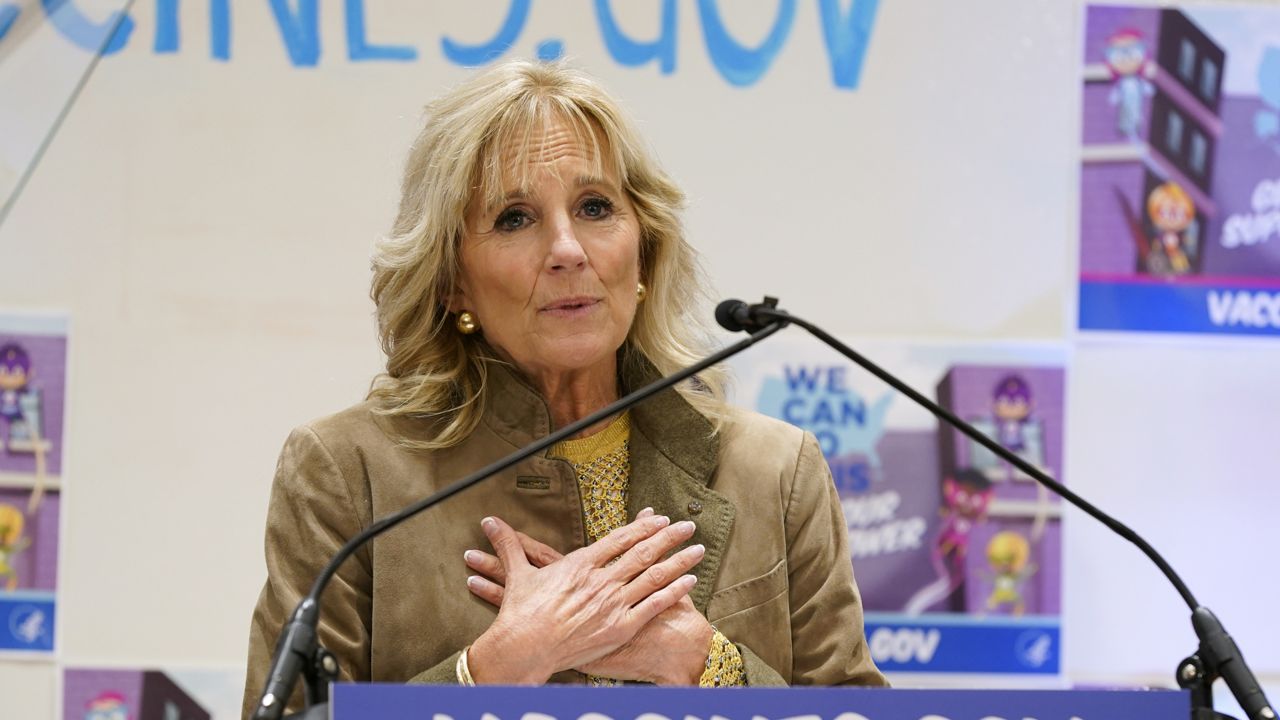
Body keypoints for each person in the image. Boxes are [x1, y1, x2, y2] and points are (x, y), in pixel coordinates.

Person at [243, 58, 885, 716]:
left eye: (595, 207)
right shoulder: (348, 473)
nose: (568, 249)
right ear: (452, 280)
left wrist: (701, 662)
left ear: (645, 252)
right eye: (515, 218)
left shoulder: (774, 471)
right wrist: (495, 667)